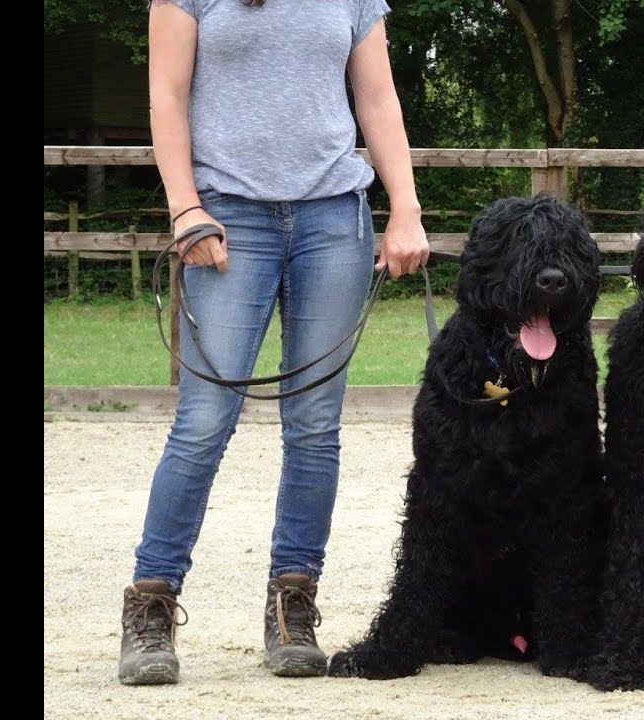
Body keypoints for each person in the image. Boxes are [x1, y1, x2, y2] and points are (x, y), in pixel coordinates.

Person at [119, 0, 428, 685]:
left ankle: (293, 606)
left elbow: (376, 96)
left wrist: (404, 207)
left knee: (315, 426)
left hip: (331, 217)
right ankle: (151, 605)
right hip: (228, 213)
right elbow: (166, 95)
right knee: (203, 420)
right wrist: (184, 208)